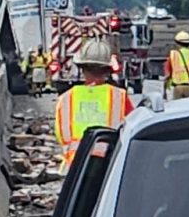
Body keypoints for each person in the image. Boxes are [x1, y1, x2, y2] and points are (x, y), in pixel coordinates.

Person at [55, 39, 133, 174]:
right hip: (108, 165)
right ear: (107, 70)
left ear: (82, 69)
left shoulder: (66, 98)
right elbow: (132, 127)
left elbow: (60, 135)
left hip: (74, 168)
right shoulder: (119, 97)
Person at [163, 31, 189, 100]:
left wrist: (164, 91)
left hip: (178, 88)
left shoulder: (173, 55)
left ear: (177, 43)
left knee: (179, 109)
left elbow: (167, 75)